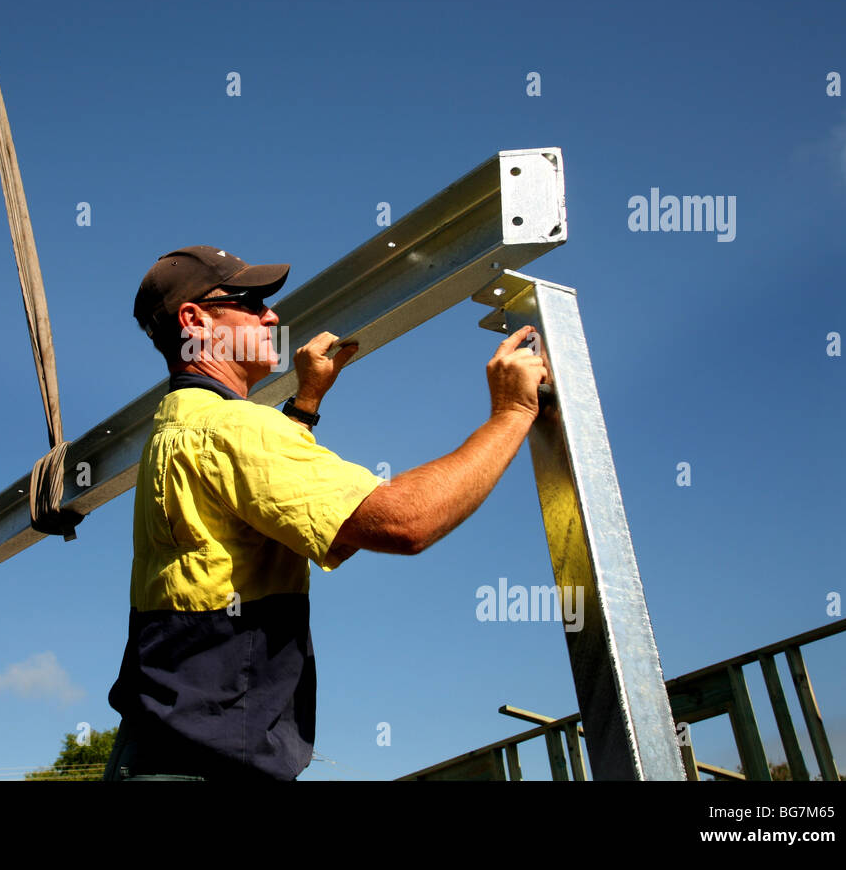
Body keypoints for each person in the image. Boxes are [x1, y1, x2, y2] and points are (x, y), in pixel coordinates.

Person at [104, 245, 548, 780]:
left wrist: (305, 402)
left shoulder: (179, 422)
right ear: (195, 319)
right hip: (205, 763)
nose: (271, 315)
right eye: (249, 301)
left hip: (165, 754)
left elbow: (280, 510)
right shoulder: (232, 428)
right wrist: (513, 412)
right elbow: (405, 523)